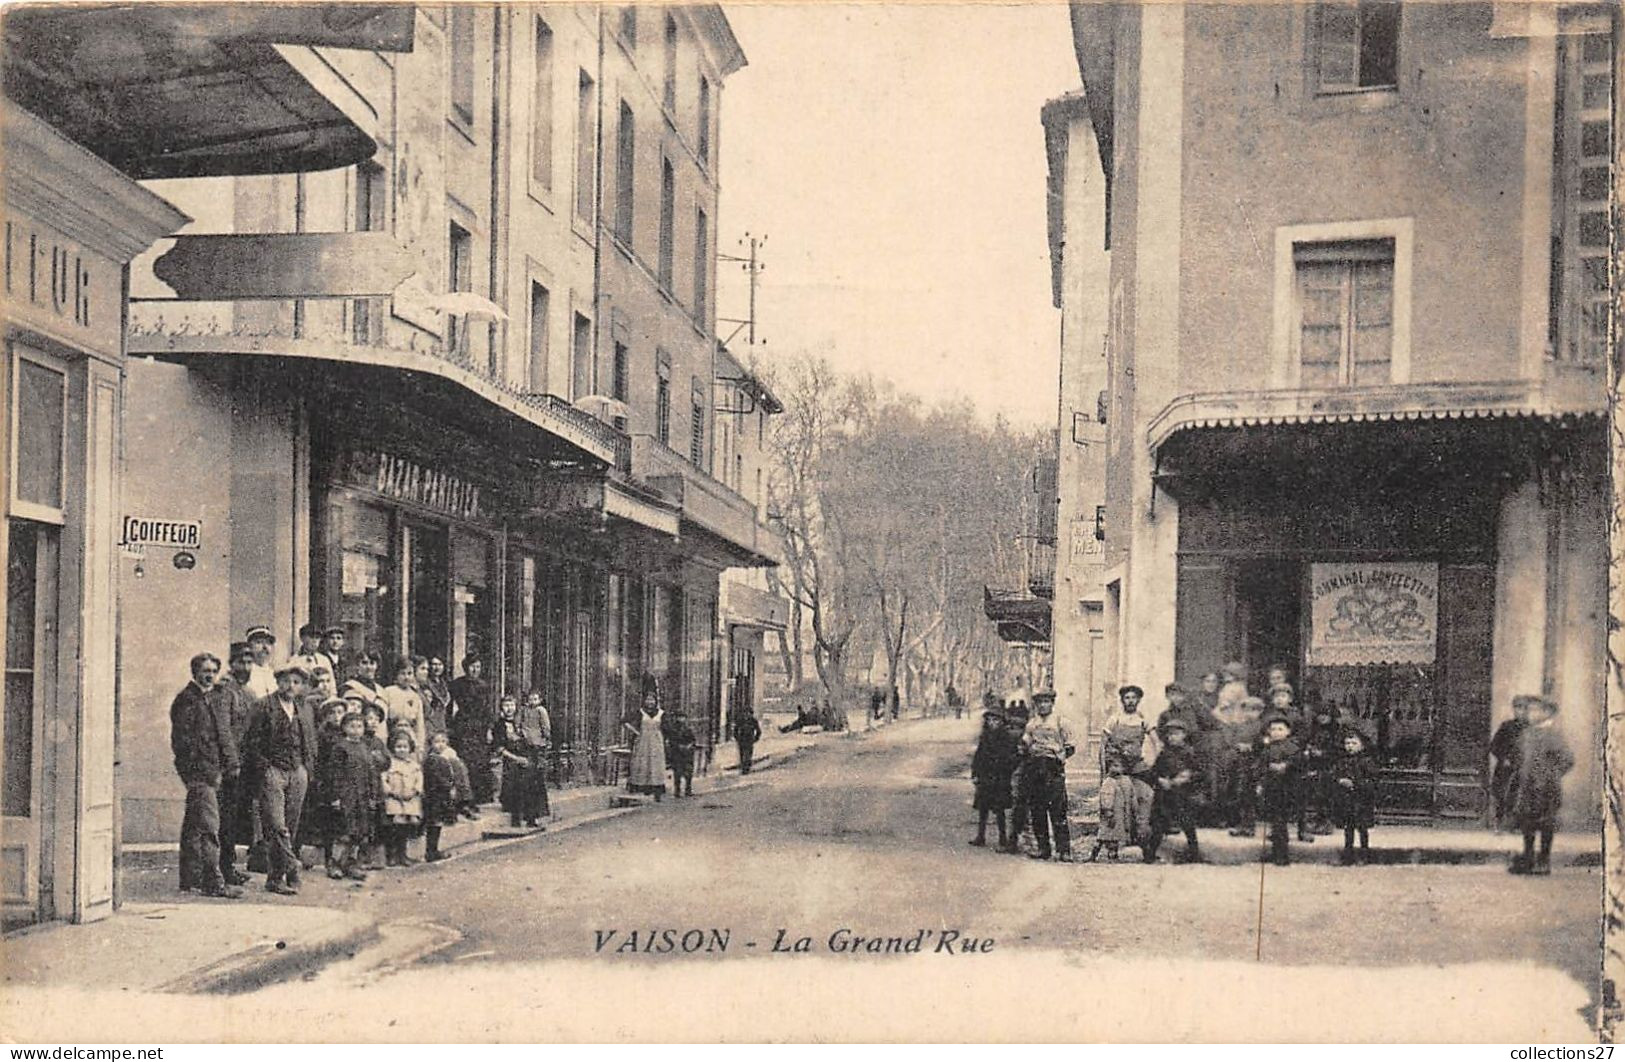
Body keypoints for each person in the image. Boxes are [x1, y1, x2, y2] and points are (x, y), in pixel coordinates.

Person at [169, 652, 243, 898]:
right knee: (210, 827)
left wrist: (231, 765)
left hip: (222, 771)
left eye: (213, 670)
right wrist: (199, 773)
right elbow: (184, 744)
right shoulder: (186, 700)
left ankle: (190, 880)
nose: (209, 675)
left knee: (194, 825)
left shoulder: (220, 697)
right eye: (205, 670)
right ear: (195, 672)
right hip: (200, 773)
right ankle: (213, 882)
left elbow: (228, 735)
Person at [242, 664, 317, 895]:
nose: (290, 686)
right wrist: (264, 768)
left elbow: (311, 741)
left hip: (297, 771)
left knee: (291, 824)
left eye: (296, 682)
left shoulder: (304, 708)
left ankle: (275, 877)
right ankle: (292, 866)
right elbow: (251, 742)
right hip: (272, 769)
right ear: (278, 682)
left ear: (302, 686)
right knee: (276, 824)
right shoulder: (263, 706)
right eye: (286, 681)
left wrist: (307, 768)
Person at [208, 641, 258, 886]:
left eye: (249, 662)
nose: (246, 666)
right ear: (232, 664)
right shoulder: (224, 691)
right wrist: (231, 762)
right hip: (227, 765)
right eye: (241, 662)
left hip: (245, 763)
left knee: (235, 818)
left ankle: (228, 867)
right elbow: (223, 730)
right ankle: (221, 869)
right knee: (224, 819)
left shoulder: (248, 692)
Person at [1508, 696, 1574, 876]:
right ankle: (1528, 858)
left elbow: (1568, 759)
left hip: (1546, 789)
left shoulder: (1554, 735)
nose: (1530, 713)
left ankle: (1544, 861)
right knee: (1526, 823)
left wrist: (1552, 776)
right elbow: (1518, 756)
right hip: (1527, 787)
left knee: (1546, 824)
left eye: (1535, 710)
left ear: (1546, 713)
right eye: (1529, 710)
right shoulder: (1527, 734)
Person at [1019, 691, 1074, 861]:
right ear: (1036, 705)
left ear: (1052, 703)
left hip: (1053, 768)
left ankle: (1064, 850)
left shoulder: (1061, 722)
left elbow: (1070, 746)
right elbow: (1025, 744)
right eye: (1040, 702)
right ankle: (1044, 849)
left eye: (1046, 702)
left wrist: (1060, 758)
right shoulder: (1032, 724)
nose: (1043, 705)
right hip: (1035, 769)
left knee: (1058, 811)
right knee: (1037, 810)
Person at [321, 710, 375, 881]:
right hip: (347, 797)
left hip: (362, 797)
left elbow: (371, 773)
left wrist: (373, 795)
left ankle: (351, 863)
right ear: (344, 728)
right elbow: (334, 774)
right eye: (352, 726)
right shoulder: (340, 747)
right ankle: (334, 863)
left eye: (360, 726)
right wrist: (335, 797)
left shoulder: (365, 747)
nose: (356, 730)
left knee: (359, 832)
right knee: (344, 832)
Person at [1099, 684, 1155, 846]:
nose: (1130, 701)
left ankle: (1142, 837)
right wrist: (1104, 770)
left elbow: (1156, 741)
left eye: (1133, 698)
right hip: (1118, 766)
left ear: (1138, 700)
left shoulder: (1143, 720)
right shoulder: (1114, 719)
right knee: (1118, 798)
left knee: (1145, 796)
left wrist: (1152, 761)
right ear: (1122, 700)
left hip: (1137, 767)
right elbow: (1103, 745)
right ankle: (1116, 840)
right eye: (1127, 698)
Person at [1143, 717, 1202, 864]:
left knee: (1188, 824)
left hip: (1183, 795)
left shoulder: (1190, 753)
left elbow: (1199, 772)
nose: (1172, 737)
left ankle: (1194, 853)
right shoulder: (1164, 754)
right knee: (1158, 826)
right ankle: (1150, 854)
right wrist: (1159, 780)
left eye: (1176, 733)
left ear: (1184, 735)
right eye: (1169, 734)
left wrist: (1187, 777)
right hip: (1164, 795)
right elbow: (1153, 773)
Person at [496, 693, 550, 826]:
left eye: (512, 705)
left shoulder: (520, 722)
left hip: (523, 758)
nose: (509, 708)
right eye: (506, 705)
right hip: (510, 759)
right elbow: (499, 749)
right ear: (501, 708)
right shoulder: (499, 725)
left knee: (535, 775)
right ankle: (518, 817)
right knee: (523, 777)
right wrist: (517, 758)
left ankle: (532, 817)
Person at [1255, 711, 1301, 866]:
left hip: (1285, 790)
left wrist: (1285, 766)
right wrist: (1260, 783)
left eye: (1280, 729)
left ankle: (1283, 855)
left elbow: (1297, 765)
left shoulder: (1293, 748)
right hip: (1271, 790)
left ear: (1288, 731)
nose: (1276, 732)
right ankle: (1275, 851)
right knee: (1274, 823)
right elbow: (1260, 767)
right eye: (1273, 729)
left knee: (1281, 823)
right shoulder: (1267, 749)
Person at [449, 655, 495, 804]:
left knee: (480, 760)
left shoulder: (484, 685)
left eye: (478, 667)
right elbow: (450, 705)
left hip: (480, 726)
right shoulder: (457, 684)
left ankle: (480, 796)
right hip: (463, 725)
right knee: (465, 759)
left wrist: (488, 729)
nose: (475, 670)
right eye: (472, 666)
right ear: (465, 667)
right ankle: (465, 797)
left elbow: (487, 709)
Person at [1328, 727, 1378, 865]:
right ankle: (1348, 854)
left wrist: (1355, 783)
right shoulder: (1342, 761)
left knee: (1362, 828)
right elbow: (1334, 776)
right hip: (1346, 800)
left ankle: (1364, 854)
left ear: (1362, 745)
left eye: (1354, 743)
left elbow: (1372, 780)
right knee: (1348, 828)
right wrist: (1339, 781)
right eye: (1347, 743)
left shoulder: (1367, 761)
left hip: (1361, 800)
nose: (1350, 746)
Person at [969, 709, 1016, 849]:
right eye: (989, 720)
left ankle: (1003, 838)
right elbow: (978, 756)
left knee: (999, 809)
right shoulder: (985, 737)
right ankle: (980, 836)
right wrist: (975, 773)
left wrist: (1007, 771)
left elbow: (1011, 758)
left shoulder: (1006, 738)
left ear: (1002, 722)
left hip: (1000, 777)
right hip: (985, 776)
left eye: (996, 720)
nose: (992, 723)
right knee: (983, 808)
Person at [1221, 695, 1266, 836]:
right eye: (1246, 710)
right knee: (1238, 793)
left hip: (1253, 764)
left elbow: (1264, 743)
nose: (1249, 713)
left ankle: (1249, 826)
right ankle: (1239, 823)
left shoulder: (1262, 726)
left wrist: (1252, 746)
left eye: (1253, 710)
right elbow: (1231, 741)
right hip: (1239, 763)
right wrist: (1237, 746)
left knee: (1249, 796)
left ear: (1260, 712)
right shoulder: (1240, 726)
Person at [380, 729, 423, 867]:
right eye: (398, 747)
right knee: (394, 827)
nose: (402, 750)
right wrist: (390, 792)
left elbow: (419, 780)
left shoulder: (414, 765)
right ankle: (391, 855)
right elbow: (383, 779)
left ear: (410, 748)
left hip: (410, 800)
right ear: (392, 748)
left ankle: (403, 854)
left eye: (405, 747)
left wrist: (415, 791)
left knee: (406, 828)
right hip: (394, 799)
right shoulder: (389, 764)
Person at [1489, 695, 1533, 828]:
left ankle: (1518, 825)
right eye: (1518, 708)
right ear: (1514, 710)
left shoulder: (1532, 729)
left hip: (1524, 768)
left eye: (1524, 708)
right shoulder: (1506, 726)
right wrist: (1504, 758)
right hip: (1506, 768)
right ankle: (1500, 823)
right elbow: (1494, 746)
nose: (1521, 711)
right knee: (1502, 795)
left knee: (1522, 796)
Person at [422, 732, 464, 862]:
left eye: (443, 742)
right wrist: (448, 786)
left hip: (441, 795)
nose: (440, 745)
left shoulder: (444, 758)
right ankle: (431, 850)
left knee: (438, 823)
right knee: (434, 822)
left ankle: (434, 849)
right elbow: (437, 777)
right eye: (437, 742)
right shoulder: (432, 759)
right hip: (434, 795)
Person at [1088, 755, 1134, 863]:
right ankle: (1094, 855)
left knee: (1115, 836)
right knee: (1103, 835)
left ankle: (1113, 854)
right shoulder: (1109, 781)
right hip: (1110, 814)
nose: (1115, 769)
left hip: (1120, 813)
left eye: (1118, 766)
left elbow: (1131, 796)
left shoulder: (1126, 781)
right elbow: (1106, 796)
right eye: (1113, 766)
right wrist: (1108, 810)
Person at [382, 656, 427, 759]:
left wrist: (420, 747)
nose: (406, 677)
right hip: (392, 739)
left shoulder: (416, 697)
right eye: (402, 673)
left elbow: (420, 725)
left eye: (409, 673)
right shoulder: (388, 692)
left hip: (410, 741)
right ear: (396, 675)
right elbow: (383, 721)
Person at [628, 688, 668, 799]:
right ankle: (641, 786)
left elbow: (666, 728)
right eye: (647, 700)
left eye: (652, 700)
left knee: (655, 763)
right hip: (643, 740)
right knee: (642, 762)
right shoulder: (640, 712)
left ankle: (656, 786)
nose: (650, 702)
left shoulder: (661, 713)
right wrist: (635, 732)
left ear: (656, 701)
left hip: (656, 741)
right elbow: (625, 721)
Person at [663, 711, 698, 797]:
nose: (681, 719)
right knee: (677, 772)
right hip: (677, 753)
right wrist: (678, 746)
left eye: (682, 717)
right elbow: (671, 740)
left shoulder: (688, 728)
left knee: (689, 772)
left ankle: (688, 789)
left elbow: (693, 739)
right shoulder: (673, 729)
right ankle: (677, 790)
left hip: (688, 753)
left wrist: (689, 746)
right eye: (679, 717)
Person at [243, 625, 279, 701]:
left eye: (268, 643)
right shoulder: (245, 673)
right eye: (259, 642)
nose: (265, 647)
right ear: (249, 647)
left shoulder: (276, 674)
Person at [423, 656, 453, 742]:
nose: (437, 667)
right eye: (434, 664)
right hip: (431, 721)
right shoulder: (426, 683)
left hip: (442, 720)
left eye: (440, 664)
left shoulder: (445, 683)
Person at [733, 703, 763, 775]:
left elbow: (758, 731)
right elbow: (735, 730)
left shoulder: (753, 721)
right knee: (742, 754)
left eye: (749, 713)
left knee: (748, 754)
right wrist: (737, 738)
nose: (747, 714)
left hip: (749, 739)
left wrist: (755, 739)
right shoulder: (740, 720)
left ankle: (747, 768)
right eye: (745, 713)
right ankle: (744, 768)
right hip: (742, 739)